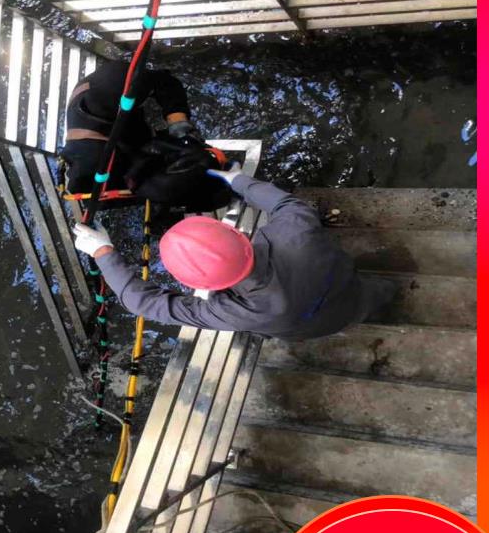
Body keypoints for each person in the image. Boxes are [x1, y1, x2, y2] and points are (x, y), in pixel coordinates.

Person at [73, 164, 396, 341]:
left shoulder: (236, 312)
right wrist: (238, 180)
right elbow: (285, 203)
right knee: (379, 294)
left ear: (201, 285)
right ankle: (389, 295)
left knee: (298, 326)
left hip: (311, 329)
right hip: (354, 294)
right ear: (236, 234)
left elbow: (143, 302)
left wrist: (103, 251)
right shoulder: (296, 231)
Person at [60, 60, 230, 212]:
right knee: (167, 186)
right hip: (107, 170)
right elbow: (101, 196)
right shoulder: (93, 162)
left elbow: (165, 82)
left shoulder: (120, 80)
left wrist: (178, 122)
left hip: (117, 127)